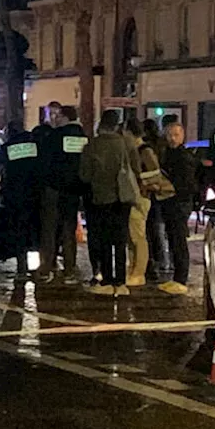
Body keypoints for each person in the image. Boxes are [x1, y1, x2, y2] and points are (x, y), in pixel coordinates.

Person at [79, 110, 138, 297]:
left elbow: (85, 175)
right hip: (123, 197)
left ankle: (107, 280)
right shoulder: (126, 143)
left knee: (104, 240)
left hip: (102, 197)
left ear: (100, 125)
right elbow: (134, 168)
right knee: (120, 240)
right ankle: (121, 282)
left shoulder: (92, 146)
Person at [38, 105, 86, 284]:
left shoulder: (55, 136)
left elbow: (45, 161)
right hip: (73, 190)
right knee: (68, 230)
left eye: (58, 116)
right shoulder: (83, 137)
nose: (56, 119)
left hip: (54, 188)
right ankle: (70, 270)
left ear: (65, 117)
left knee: (49, 229)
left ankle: (47, 268)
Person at [0, 119, 42, 280]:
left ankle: (22, 269)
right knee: (35, 231)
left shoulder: (8, 148)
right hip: (34, 194)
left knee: (18, 232)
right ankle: (42, 267)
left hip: (14, 195)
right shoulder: (34, 145)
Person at [157, 121, 199, 295]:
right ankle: (177, 277)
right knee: (174, 240)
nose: (172, 138)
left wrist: (169, 188)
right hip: (172, 202)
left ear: (182, 135)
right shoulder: (170, 154)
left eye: (176, 135)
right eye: (169, 135)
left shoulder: (183, 157)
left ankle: (181, 278)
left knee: (179, 240)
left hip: (178, 203)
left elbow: (187, 184)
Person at [123, 118, 163, 287]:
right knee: (132, 236)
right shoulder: (135, 149)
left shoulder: (144, 150)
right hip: (135, 195)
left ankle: (139, 272)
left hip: (141, 196)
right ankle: (133, 269)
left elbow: (155, 174)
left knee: (138, 236)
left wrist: (140, 182)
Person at [141, 118, 168, 283]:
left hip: (149, 191)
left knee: (150, 228)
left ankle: (153, 262)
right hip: (160, 192)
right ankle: (161, 261)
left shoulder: (146, 149)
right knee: (157, 227)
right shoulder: (162, 146)